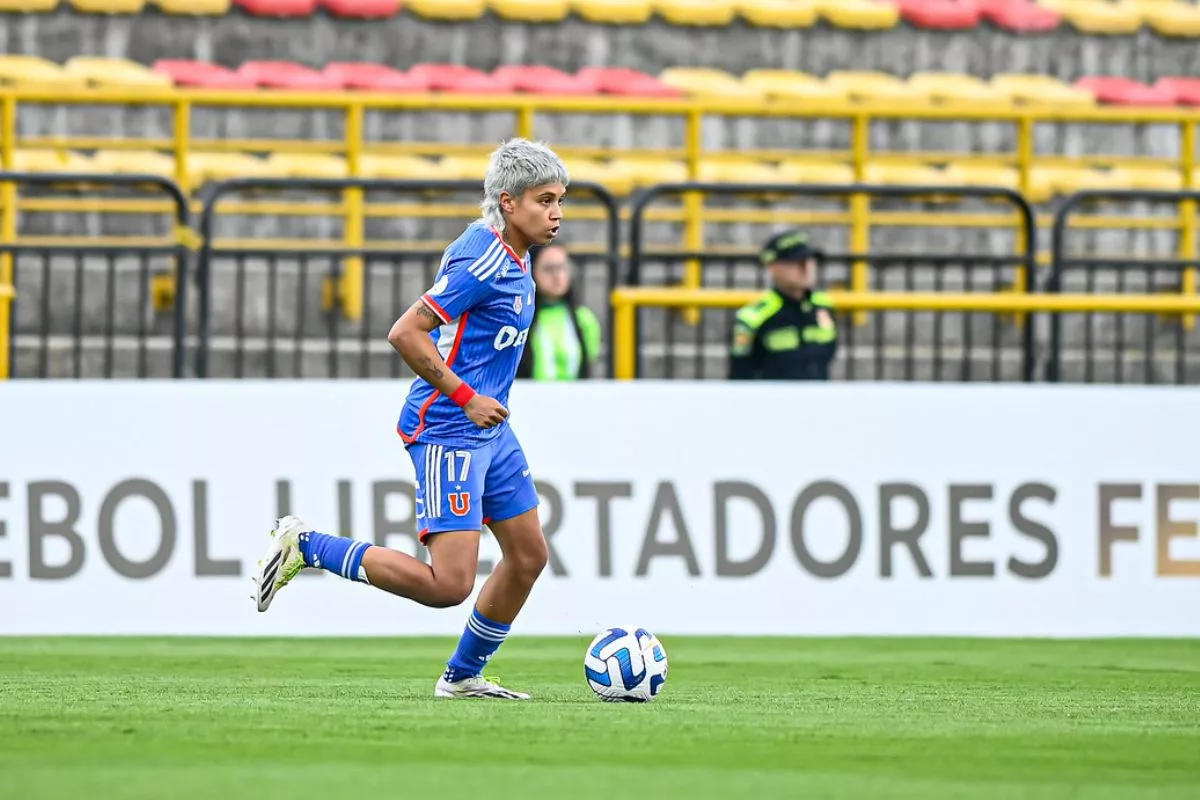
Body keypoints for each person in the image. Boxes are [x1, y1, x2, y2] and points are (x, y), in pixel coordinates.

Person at [252, 138, 569, 701]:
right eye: (544, 201)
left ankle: (462, 676)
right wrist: (466, 395)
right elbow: (406, 331)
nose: (556, 214)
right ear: (509, 201)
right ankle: (308, 545)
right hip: (450, 428)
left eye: (560, 201)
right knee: (448, 585)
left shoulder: (515, 256)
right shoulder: (485, 259)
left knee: (529, 555)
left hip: (490, 430)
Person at [729, 230, 838, 381]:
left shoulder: (823, 306)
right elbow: (740, 374)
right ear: (772, 267)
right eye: (798, 262)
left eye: (811, 261)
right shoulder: (754, 316)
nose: (807, 268)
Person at [516, 244, 602, 381]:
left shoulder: (585, 319)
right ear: (531, 271)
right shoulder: (519, 318)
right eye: (549, 269)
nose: (557, 276)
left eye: (562, 267)